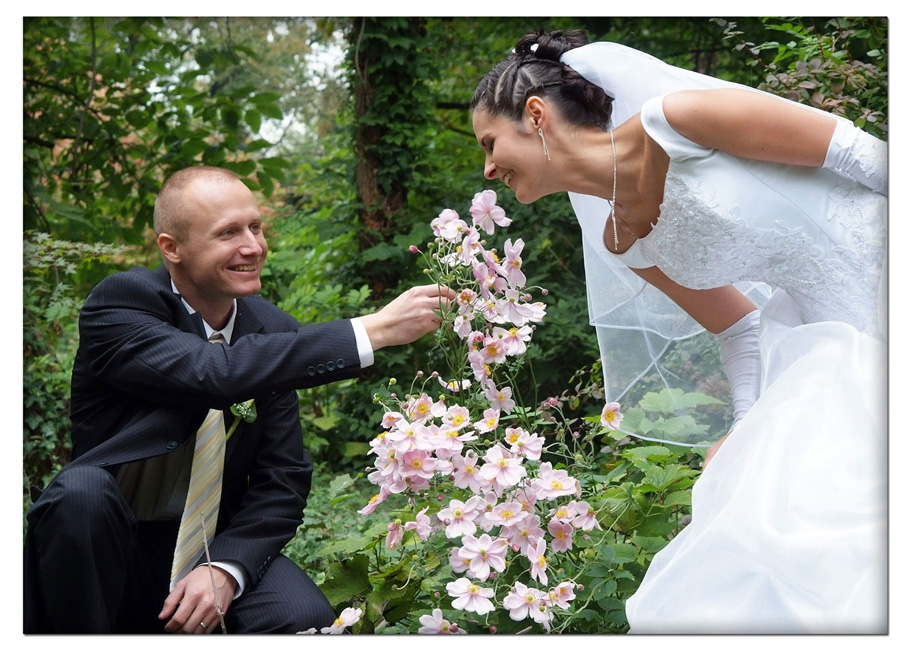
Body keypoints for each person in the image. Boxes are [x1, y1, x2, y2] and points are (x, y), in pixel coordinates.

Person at [470, 30, 887, 633]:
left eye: (490, 143)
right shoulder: (623, 239)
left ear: (535, 115)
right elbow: (740, 329)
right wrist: (743, 435)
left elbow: (865, 160)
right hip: (832, 345)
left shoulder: (680, 120)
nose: (487, 168)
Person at [23, 165, 454, 634]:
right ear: (171, 248)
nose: (252, 246)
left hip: (211, 544)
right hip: (106, 543)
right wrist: (373, 329)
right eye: (228, 232)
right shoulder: (121, 305)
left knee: (305, 618)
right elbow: (214, 373)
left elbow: (282, 479)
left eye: (255, 227)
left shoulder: (272, 328)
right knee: (81, 494)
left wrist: (226, 568)